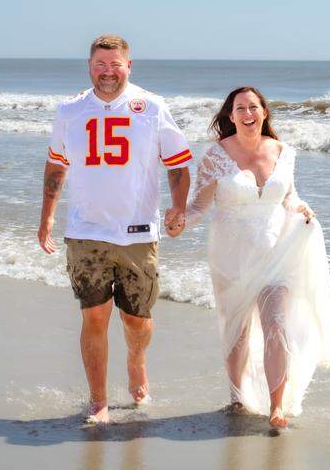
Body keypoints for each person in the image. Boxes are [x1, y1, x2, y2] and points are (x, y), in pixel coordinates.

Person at [38, 34, 192, 424]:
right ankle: (99, 400)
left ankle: (136, 361)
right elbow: (57, 165)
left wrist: (177, 207)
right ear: (90, 66)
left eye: (115, 65)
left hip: (138, 233)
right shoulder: (70, 110)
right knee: (93, 316)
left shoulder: (152, 107)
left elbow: (176, 163)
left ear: (129, 65)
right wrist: (47, 217)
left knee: (137, 320)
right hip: (86, 231)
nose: (107, 72)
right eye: (100, 65)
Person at [166, 86, 330, 429]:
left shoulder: (283, 151)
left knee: (276, 323)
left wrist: (302, 208)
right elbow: (201, 204)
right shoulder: (216, 155)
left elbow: (289, 197)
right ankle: (238, 396)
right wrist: (179, 221)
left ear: (264, 112)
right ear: (230, 116)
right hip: (231, 253)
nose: (247, 113)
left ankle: (276, 406)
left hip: (277, 249)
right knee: (239, 331)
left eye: (253, 107)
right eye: (240, 108)